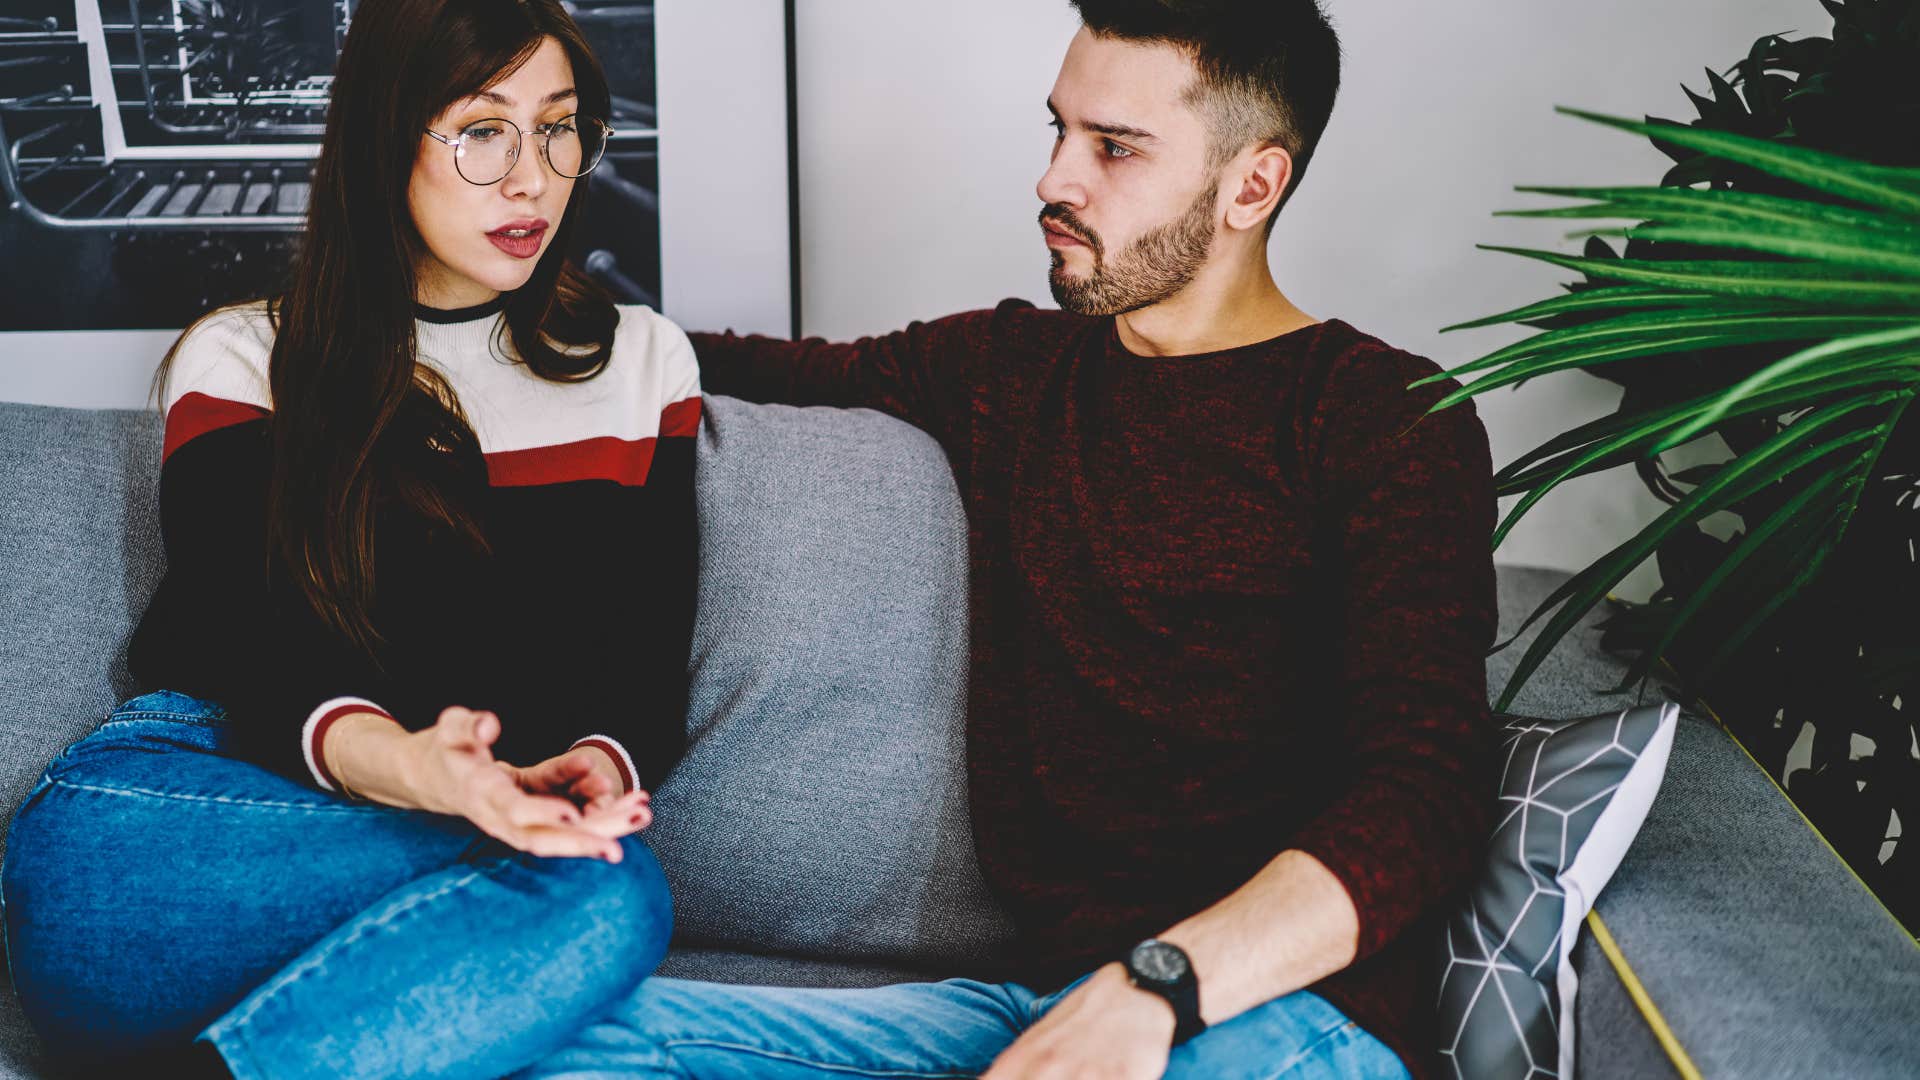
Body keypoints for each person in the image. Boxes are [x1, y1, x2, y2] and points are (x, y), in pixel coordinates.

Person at [521, 2, 1496, 1079]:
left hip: (1272, 1012)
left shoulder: (1380, 415)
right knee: (583, 1050)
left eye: (1114, 148)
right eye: (1059, 132)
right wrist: (451, 332)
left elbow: (1430, 791)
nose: (1054, 181)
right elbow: (728, 364)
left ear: (1250, 186)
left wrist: (1157, 988)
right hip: (1030, 1009)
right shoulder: (1008, 373)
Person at [0, 2, 698, 1077]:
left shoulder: (643, 366)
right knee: (603, 893)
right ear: (386, 138)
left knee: (604, 885)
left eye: (561, 127)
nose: (532, 178)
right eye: (482, 130)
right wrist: (432, 775)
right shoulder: (240, 358)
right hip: (177, 834)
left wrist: (587, 769)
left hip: (461, 840)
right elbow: (264, 654)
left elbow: (644, 654)